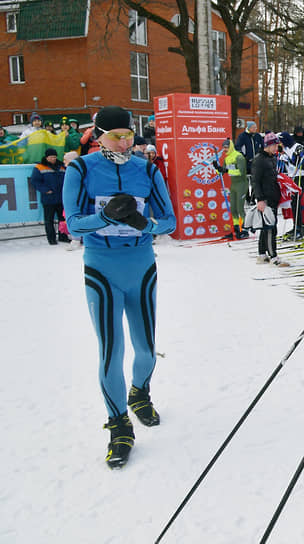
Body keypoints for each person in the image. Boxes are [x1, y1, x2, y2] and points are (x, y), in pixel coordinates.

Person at [62, 105, 176, 468]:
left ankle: (139, 392)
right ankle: (118, 425)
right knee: (112, 350)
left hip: (141, 265)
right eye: (116, 136)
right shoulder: (80, 169)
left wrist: (144, 223)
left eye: (128, 134)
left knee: (146, 347)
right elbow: (73, 225)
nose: (125, 142)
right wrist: (105, 217)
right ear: (99, 135)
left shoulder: (148, 169)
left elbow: (169, 222)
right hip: (102, 267)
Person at [250, 132, 288, 266]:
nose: (276, 147)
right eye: (274, 145)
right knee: (271, 227)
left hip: (273, 196)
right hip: (265, 198)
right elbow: (255, 181)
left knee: (266, 226)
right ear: (268, 145)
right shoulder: (259, 159)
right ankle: (273, 256)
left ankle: (262, 253)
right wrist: (259, 199)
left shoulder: (272, 158)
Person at [29, 148, 67, 245]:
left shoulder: (62, 166)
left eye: (54, 157)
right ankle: (51, 239)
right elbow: (35, 181)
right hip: (48, 198)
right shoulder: (39, 167)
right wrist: (45, 190)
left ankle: (63, 236)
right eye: (51, 157)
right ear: (46, 157)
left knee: (62, 219)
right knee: (49, 220)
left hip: (61, 198)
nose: (53, 159)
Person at [219, 138, 249, 239]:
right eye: (223, 148)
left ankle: (244, 228)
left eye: (226, 147)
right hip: (234, 185)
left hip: (242, 184)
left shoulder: (238, 156)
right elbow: (222, 172)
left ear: (231, 147)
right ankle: (236, 228)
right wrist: (218, 169)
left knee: (240, 208)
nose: (225, 149)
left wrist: (226, 170)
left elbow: (240, 172)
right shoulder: (226, 158)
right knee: (233, 208)